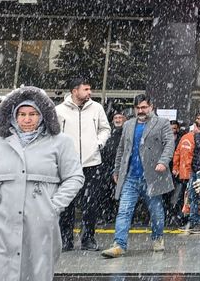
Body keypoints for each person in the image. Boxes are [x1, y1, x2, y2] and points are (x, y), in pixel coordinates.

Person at [0, 86, 84, 281]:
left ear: (42, 115)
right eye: (22, 114)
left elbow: (75, 177)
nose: (27, 119)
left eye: (33, 114)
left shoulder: (60, 142)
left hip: (38, 223)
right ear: (14, 115)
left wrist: (53, 206)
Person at [101, 94, 175, 258]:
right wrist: (117, 170)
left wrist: (163, 161)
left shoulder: (162, 123)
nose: (141, 111)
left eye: (143, 107)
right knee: (124, 211)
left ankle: (157, 238)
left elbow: (169, 144)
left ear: (151, 107)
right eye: (138, 108)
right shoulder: (128, 125)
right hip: (130, 177)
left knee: (155, 211)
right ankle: (119, 244)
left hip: (152, 176)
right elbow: (122, 149)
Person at [55, 77, 111, 251]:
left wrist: (98, 143)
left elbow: (105, 128)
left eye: (89, 89)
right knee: (66, 204)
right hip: (67, 164)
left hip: (92, 163)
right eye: (85, 89)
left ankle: (88, 238)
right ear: (74, 91)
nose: (89, 92)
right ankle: (66, 239)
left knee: (90, 204)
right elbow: (53, 134)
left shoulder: (97, 108)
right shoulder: (59, 110)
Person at [99, 110, 127, 225]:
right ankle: (107, 216)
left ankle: (120, 217)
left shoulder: (127, 132)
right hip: (106, 168)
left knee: (121, 194)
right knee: (105, 193)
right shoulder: (108, 132)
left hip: (122, 168)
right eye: (116, 117)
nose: (118, 120)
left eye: (120, 117)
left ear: (124, 119)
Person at [171, 126, 196, 228]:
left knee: (183, 197)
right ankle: (185, 218)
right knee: (190, 198)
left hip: (183, 173)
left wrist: (175, 167)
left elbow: (177, 153)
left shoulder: (184, 138)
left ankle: (179, 217)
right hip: (191, 172)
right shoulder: (196, 139)